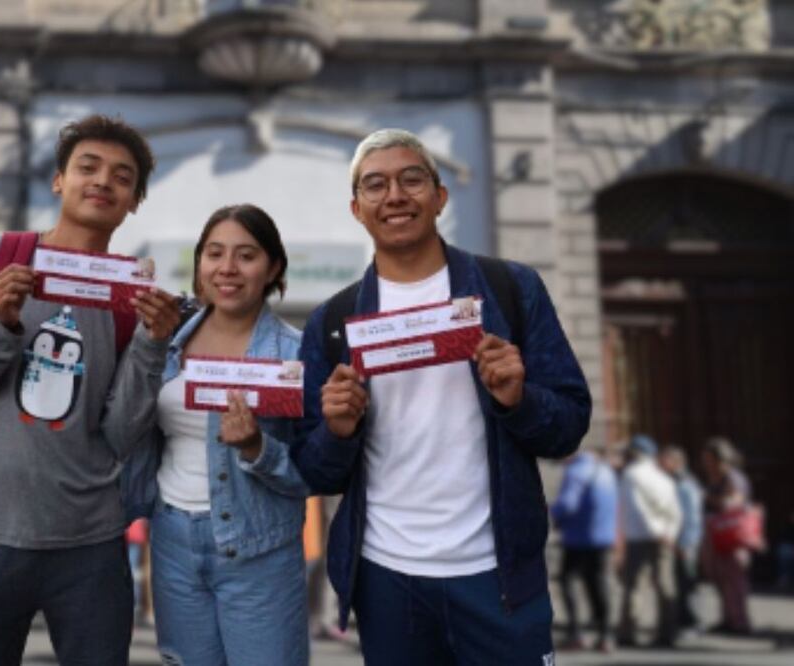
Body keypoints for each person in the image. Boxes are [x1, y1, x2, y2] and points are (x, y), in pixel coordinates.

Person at [289, 128, 592, 665]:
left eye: (412, 179)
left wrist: (517, 400)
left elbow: (568, 425)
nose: (396, 196)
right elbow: (314, 471)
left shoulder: (510, 289)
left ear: (440, 196)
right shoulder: (334, 321)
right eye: (376, 186)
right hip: (387, 578)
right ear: (357, 209)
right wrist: (337, 431)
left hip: (499, 574)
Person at [0, 114, 180, 666]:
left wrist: (154, 345)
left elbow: (119, 433)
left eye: (121, 176)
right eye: (88, 167)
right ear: (59, 180)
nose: (103, 181)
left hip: (90, 547)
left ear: (134, 200)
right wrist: (1, 323)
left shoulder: (130, 294)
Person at [123, 204, 309, 666]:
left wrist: (256, 448)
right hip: (171, 540)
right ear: (199, 264)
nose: (227, 268)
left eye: (246, 255)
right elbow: (122, 428)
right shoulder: (166, 342)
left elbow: (316, 470)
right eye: (214, 253)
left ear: (273, 268)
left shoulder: (294, 355)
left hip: (257, 549)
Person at [615, 434, 682, 648]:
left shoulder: (631, 474)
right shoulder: (663, 477)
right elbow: (675, 511)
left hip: (640, 537)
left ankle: (628, 631)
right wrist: (669, 533)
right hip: (664, 538)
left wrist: (655, 531)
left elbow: (638, 508)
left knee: (635, 585)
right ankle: (668, 632)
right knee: (665, 584)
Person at [550, 446, 618, 652]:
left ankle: (576, 633)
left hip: (579, 538)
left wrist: (551, 513)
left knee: (568, 580)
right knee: (599, 582)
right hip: (604, 537)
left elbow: (568, 504)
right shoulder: (605, 471)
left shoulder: (575, 472)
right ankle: (606, 634)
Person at [701, 436, 753, 635]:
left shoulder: (734, 478)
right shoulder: (717, 478)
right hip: (718, 535)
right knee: (720, 578)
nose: (706, 465)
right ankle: (728, 618)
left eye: (709, 460)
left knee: (734, 580)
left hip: (732, 537)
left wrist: (707, 498)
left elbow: (732, 504)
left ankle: (740, 621)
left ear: (720, 459)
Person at [658, 444, 704, 636]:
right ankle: (683, 621)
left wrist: (686, 543)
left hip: (685, 544)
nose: (660, 463)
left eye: (665, 459)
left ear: (677, 462)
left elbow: (692, 517)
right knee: (680, 583)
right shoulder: (673, 481)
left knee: (687, 584)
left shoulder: (685, 484)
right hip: (677, 542)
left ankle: (691, 623)